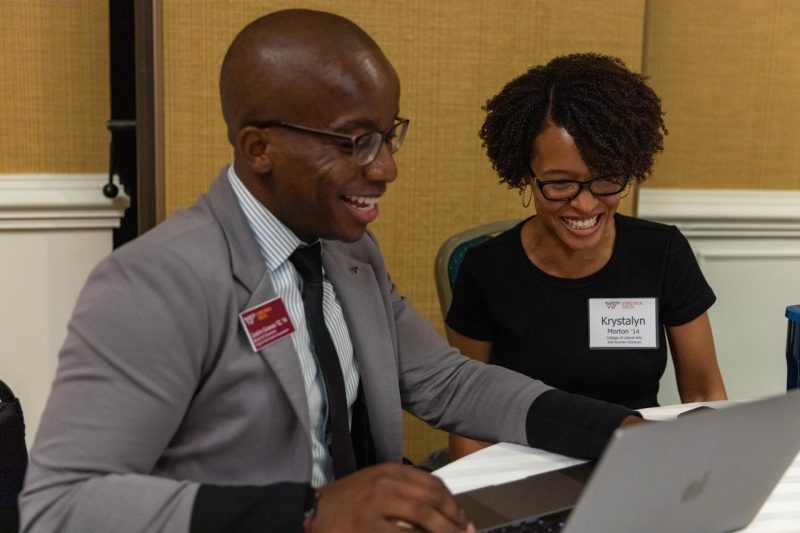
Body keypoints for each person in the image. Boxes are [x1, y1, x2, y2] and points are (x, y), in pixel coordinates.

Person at [20, 14, 643, 533]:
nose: (386, 169)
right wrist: (310, 514)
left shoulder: (349, 253)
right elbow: (59, 505)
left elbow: (448, 385)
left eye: (389, 136)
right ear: (259, 147)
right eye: (356, 142)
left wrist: (613, 428)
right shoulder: (156, 282)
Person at [447, 53, 728, 461]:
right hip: (525, 471)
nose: (584, 205)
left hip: (639, 461)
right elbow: (468, 415)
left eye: (607, 180)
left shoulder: (660, 253)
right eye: (560, 184)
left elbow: (705, 395)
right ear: (527, 175)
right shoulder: (487, 270)